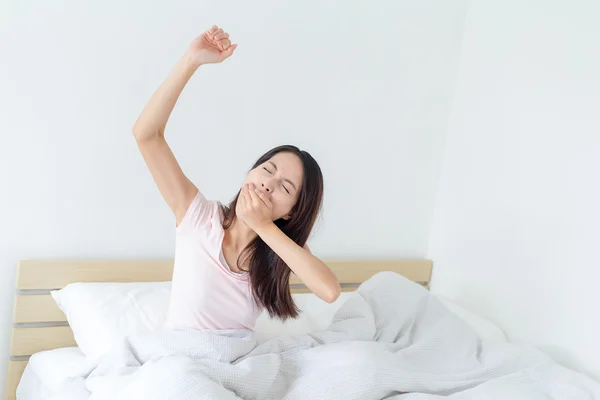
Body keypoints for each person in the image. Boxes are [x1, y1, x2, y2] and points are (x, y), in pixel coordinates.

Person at [132, 25, 341, 331]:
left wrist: (262, 225)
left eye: (285, 187)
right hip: (181, 362)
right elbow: (146, 135)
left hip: (234, 367)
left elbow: (330, 291)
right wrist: (191, 60)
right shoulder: (199, 218)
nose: (269, 184)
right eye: (268, 170)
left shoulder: (279, 248)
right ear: (250, 175)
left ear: (293, 211)